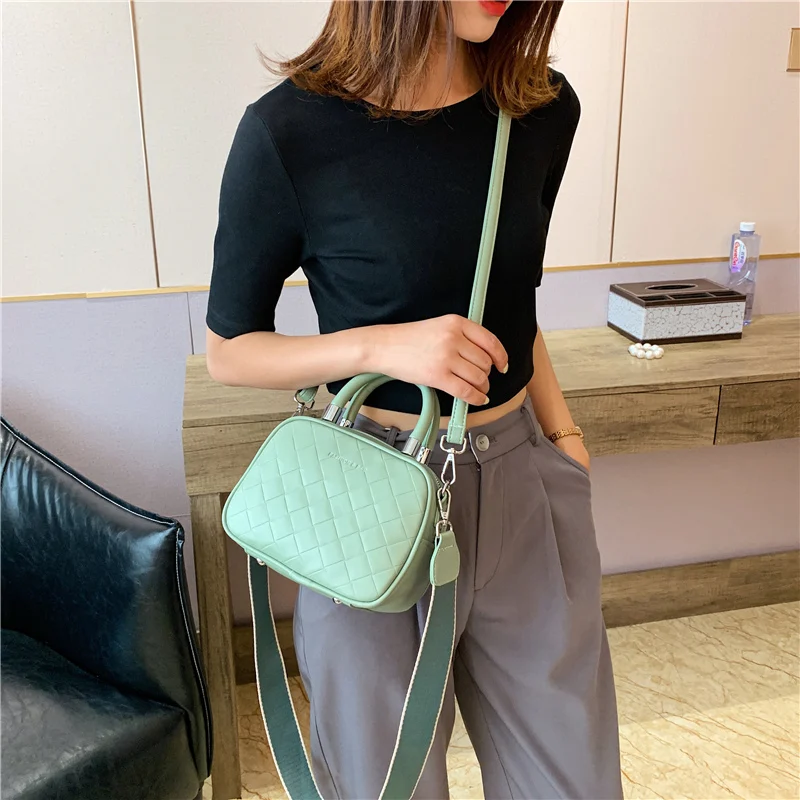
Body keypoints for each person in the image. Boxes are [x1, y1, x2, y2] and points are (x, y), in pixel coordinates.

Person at [206, 1, 623, 797]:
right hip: (370, 493)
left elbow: (515, 302)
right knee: (380, 782)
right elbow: (230, 350)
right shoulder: (289, 131)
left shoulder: (540, 109)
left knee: (571, 777)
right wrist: (380, 345)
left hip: (521, 480)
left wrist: (564, 439)